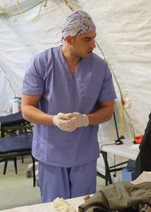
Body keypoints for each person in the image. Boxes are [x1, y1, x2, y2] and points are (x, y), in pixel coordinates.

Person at [21, 10, 116, 202]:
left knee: (83, 205)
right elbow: (27, 109)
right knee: (55, 206)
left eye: (94, 38)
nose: (93, 44)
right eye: (87, 39)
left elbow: (108, 110)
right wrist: (54, 120)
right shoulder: (42, 63)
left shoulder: (100, 67)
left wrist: (86, 119)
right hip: (51, 155)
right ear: (69, 39)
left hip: (84, 154)